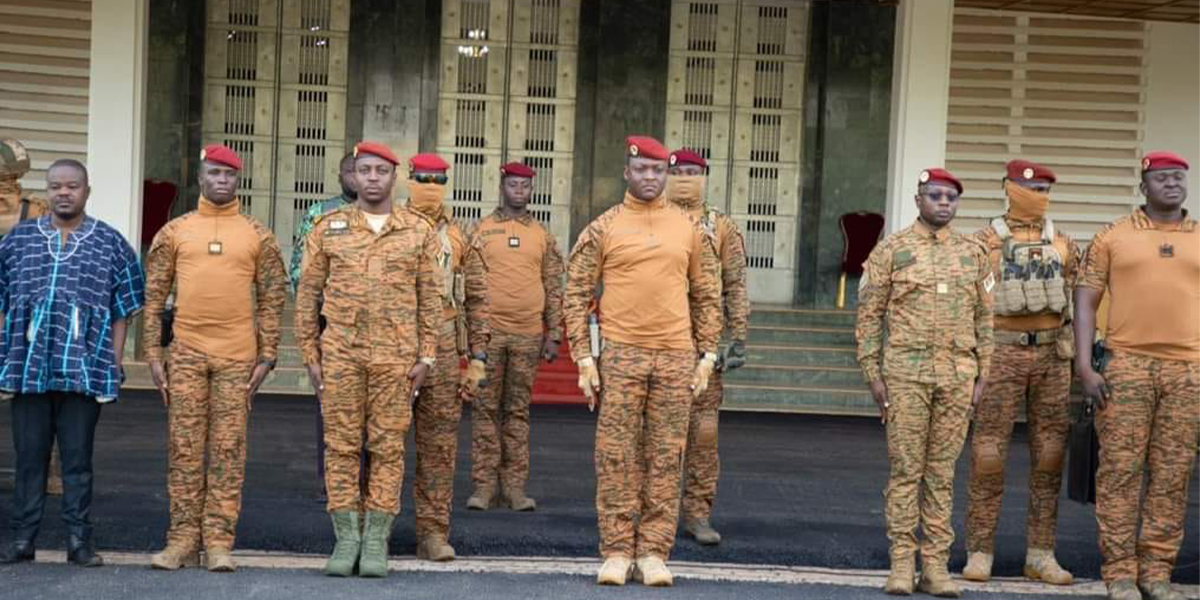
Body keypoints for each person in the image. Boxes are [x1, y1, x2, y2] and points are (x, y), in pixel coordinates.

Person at [564, 135, 720, 587]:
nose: (650, 178)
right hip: (621, 354)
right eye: (642, 170)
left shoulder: (689, 229)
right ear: (627, 173)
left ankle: (653, 550)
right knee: (615, 455)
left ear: (666, 175)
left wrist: (707, 354)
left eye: (658, 171)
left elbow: (708, 295)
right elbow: (575, 293)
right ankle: (615, 549)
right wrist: (583, 357)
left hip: (675, 356)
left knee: (667, 455)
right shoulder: (604, 226)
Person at [296, 141, 440, 578]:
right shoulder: (328, 226)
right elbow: (307, 293)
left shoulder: (417, 229)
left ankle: (375, 540)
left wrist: (428, 355)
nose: (372, 178)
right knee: (340, 448)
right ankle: (346, 539)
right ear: (352, 176)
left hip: (396, 360)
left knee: (387, 449)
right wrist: (309, 351)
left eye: (380, 170)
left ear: (394, 177)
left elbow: (429, 296)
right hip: (341, 355)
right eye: (364, 170)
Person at [143, 145, 288, 573]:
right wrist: (153, 352)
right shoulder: (175, 232)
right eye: (214, 174)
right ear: (201, 178)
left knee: (228, 451)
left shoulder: (257, 234)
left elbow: (273, 299)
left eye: (229, 174)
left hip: (237, 358)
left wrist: (268, 354)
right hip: (186, 354)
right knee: (185, 450)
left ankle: (220, 542)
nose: (221, 181)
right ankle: (182, 540)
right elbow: (153, 300)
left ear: (238, 180)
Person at [0, 159, 145, 567]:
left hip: (84, 369)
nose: (64, 192)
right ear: (46, 191)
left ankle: (79, 542)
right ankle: (22, 540)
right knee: (29, 459)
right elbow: (2, 298)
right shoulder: (18, 240)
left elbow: (123, 308)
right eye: (56, 186)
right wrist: (4, 351)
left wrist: (113, 363)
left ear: (87, 190)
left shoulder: (110, 242)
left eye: (72, 186)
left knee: (78, 461)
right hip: (29, 369)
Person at [855, 168, 993, 597]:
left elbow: (986, 317)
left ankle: (934, 566)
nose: (944, 203)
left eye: (951, 197)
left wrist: (983, 372)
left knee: (941, 473)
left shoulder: (975, 254)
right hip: (905, 378)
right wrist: (872, 373)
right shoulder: (891, 251)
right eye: (935, 195)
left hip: (956, 379)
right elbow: (869, 317)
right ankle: (901, 564)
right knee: (905, 471)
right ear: (918, 200)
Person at [1074, 151, 1198, 600]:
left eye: (1179, 177)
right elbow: (1085, 301)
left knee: (1172, 473)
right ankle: (1121, 572)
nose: (1172, 184)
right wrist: (1084, 364)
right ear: (1142, 185)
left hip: (1188, 371)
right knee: (1120, 473)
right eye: (1161, 177)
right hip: (1126, 367)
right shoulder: (1112, 237)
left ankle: (1157, 572)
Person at [963, 160, 1078, 585]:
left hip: (1051, 357)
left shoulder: (1065, 243)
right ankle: (980, 551)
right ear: (1007, 188)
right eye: (1029, 187)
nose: (1038, 194)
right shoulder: (981, 243)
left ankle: (1041, 554)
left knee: (1050, 458)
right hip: (1000, 355)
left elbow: (1077, 303)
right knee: (988, 456)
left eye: (1046, 187)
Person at [403, 153, 490, 562]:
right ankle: (369, 531)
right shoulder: (391, 228)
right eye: (423, 179)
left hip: (442, 348)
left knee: (438, 450)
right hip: (396, 352)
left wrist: (478, 358)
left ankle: (433, 533)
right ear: (408, 180)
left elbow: (476, 298)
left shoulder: (458, 236)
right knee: (380, 446)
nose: (430, 186)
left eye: (438, 180)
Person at [466, 162, 563, 512]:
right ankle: (483, 487)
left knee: (517, 412)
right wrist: (471, 334)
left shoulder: (542, 235)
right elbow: (468, 285)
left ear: (531, 191)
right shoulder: (481, 230)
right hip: (489, 336)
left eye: (525, 186)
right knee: (484, 410)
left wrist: (554, 333)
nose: (519, 191)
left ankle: (515, 488)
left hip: (527, 335)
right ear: (503, 187)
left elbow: (554, 285)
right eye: (513, 185)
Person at [664, 148, 749, 546]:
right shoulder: (650, 218)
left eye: (692, 172)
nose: (684, 177)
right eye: (677, 171)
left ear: (705, 176)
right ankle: (655, 515)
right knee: (658, 435)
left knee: (703, 434)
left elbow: (735, 284)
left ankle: (697, 513)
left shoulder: (722, 226)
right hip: (659, 341)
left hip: (706, 348)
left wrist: (737, 338)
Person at [288, 152, 359, 502]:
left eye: (364, 171)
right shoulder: (319, 213)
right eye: (351, 170)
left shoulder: (386, 215)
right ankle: (329, 480)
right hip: (329, 319)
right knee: (329, 404)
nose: (357, 177)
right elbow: (299, 267)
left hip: (376, 325)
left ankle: (365, 484)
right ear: (341, 173)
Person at [0, 139, 61, 497]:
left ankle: (46, 475)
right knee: (38, 402)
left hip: (23, 323)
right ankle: (48, 476)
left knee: (36, 403)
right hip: (26, 323)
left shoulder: (36, 212)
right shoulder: (36, 211)